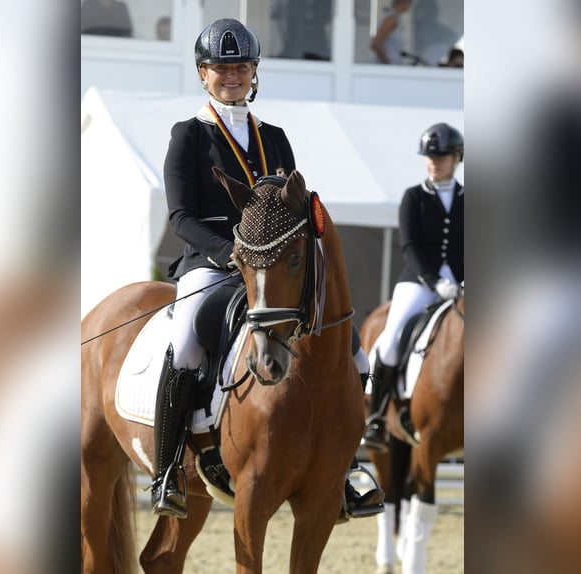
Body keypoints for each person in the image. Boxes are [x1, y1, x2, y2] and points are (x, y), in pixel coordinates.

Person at [154, 18, 384, 520]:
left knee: (352, 349)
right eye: (221, 68)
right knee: (187, 339)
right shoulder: (188, 136)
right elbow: (180, 217)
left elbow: (295, 209)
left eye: (240, 67)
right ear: (202, 74)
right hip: (213, 262)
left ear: (255, 72)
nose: (231, 76)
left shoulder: (274, 139)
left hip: (274, 268)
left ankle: (344, 470)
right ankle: (169, 469)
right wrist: (229, 254)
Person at [362, 123, 464, 451]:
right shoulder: (414, 197)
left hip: (463, 281)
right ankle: (376, 417)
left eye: (442, 156)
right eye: (430, 156)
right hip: (419, 280)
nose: (435, 161)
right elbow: (410, 247)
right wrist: (436, 281)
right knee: (390, 341)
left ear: (456, 158)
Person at [371, 0, 413, 65]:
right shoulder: (391, 19)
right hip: (386, 68)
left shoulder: (397, 18)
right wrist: (388, 64)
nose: (410, 5)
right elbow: (376, 44)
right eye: (410, 2)